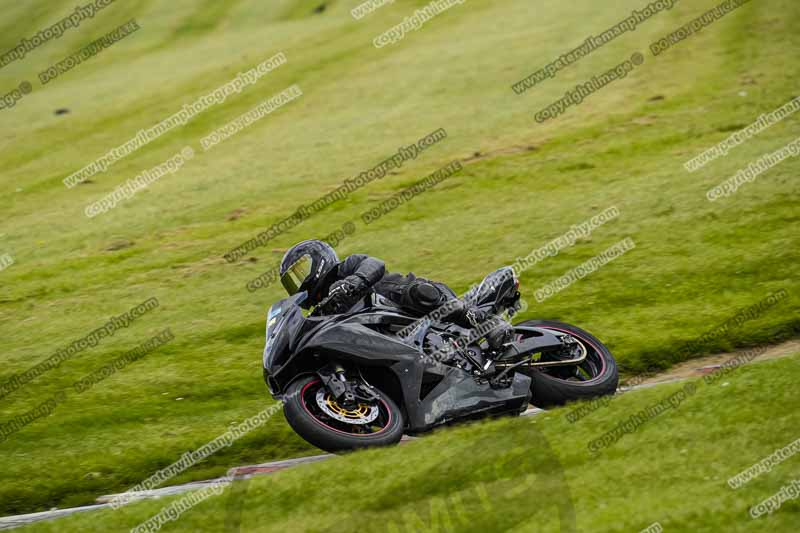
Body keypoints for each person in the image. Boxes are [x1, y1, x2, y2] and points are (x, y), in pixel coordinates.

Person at [278, 239, 512, 351]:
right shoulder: (323, 313)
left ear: (318, 260)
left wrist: (354, 282)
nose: (299, 283)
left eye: (300, 272)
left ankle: (488, 324)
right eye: (292, 281)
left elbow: (375, 264)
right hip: (394, 338)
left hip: (408, 303)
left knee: (420, 293)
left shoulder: (346, 268)